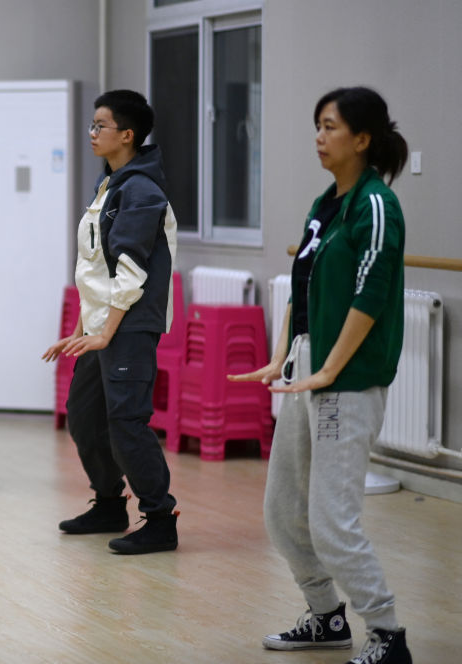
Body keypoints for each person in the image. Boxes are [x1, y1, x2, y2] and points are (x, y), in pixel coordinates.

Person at [229, 87, 412, 664]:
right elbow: (302, 287)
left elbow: (371, 294)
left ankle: (386, 633)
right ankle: (326, 616)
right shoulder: (324, 204)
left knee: (333, 521)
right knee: (284, 511)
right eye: (318, 126)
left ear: (363, 139)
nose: (319, 136)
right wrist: (283, 355)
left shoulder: (376, 205)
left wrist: (331, 367)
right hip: (309, 367)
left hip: (347, 379)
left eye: (330, 126)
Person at [42, 90, 179, 555]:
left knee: (126, 423)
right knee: (84, 418)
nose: (92, 132)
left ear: (128, 135)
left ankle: (160, 519)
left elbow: (131, 270)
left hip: (129, 326)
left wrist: (105, 331)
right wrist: (82, 331)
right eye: (92, 124)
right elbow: (96, 269)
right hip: (102, 327)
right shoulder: (111, 184)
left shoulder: (142, 190)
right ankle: (108, 504)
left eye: (101, 125)